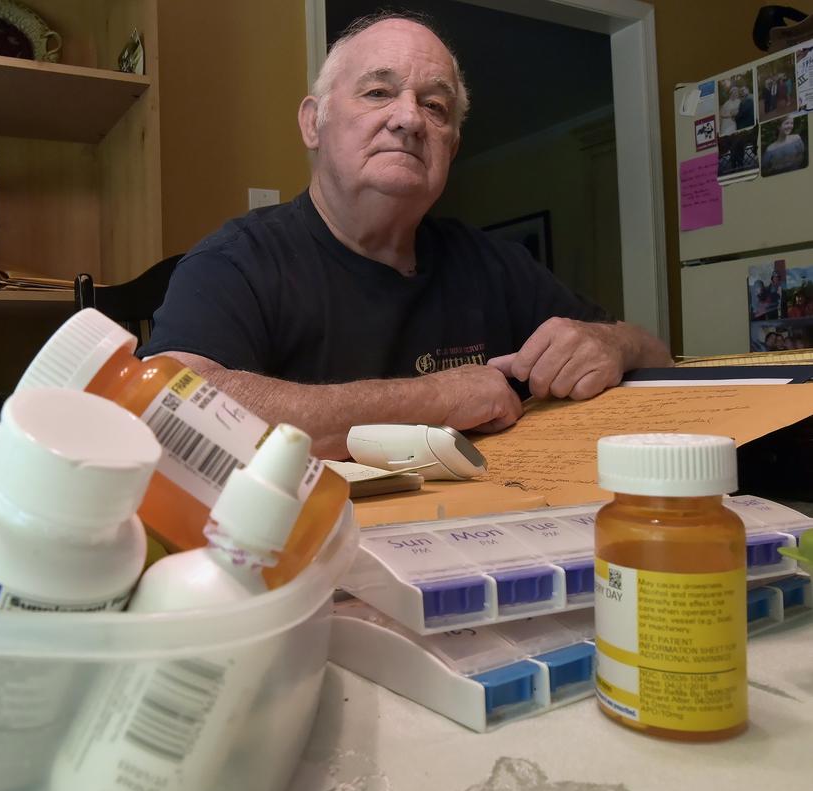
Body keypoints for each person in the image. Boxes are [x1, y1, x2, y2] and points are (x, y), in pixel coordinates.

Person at [141, 12, 672, 459]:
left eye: (435, 106)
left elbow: (658, 357)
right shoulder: (237, 261)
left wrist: (611, 343)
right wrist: (435, 397)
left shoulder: (494, 264)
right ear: (313, 123)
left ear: (453, 147)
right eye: (378, 92)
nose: (409, 119)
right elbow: (168, 407)